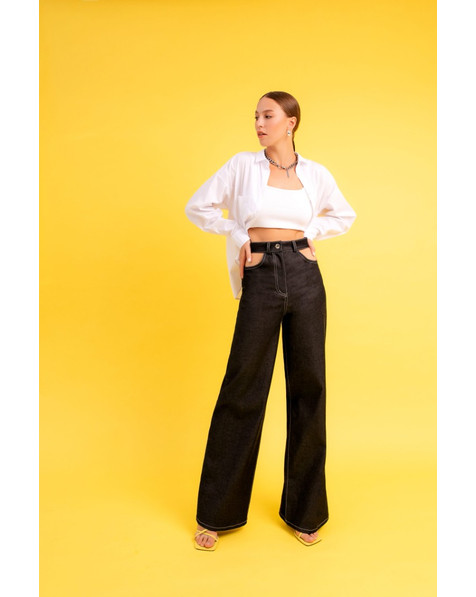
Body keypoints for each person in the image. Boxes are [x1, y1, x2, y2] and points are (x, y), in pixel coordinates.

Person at [185, 91, 356, 551]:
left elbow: (344, 215)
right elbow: (198, 207)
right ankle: (216, 514)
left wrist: (311, 233)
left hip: (304, 275)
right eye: (256, 116)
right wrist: (238, 233)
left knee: (309, 388)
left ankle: (305, 512)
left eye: (268, 115)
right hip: (260, 273)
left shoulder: (315, 173)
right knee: (243, 387)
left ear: (290, 122)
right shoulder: (242, 166)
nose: (259, 123)